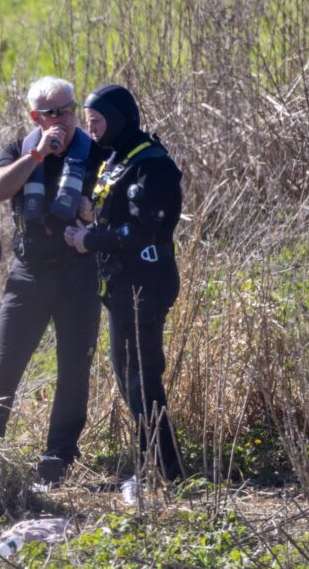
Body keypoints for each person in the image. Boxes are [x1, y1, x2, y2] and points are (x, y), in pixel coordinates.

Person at [0, 76, 109, 484]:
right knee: (4, 364)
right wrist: (37, 155)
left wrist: (93, 214)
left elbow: (118, 211)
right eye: (52, 113)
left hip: (79, 273)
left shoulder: (97, 153)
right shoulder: (20, 148)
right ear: (36, 117)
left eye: (68, 110)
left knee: (74, 369)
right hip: (30, 271)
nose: (63, 119)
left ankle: (58, 458)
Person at [64, 84, 185, 489]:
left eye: (97, 121)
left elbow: (140, 230)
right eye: (89, 122)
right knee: (128, 375)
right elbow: (116, 214)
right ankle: (161, 466)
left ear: (118, 119)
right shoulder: (117, 157)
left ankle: (162, 470)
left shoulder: (152, 163)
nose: (92, 130)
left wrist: (90, 239)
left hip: (145, 283)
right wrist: (92, 218)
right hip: (121, 284)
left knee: (140, 377)